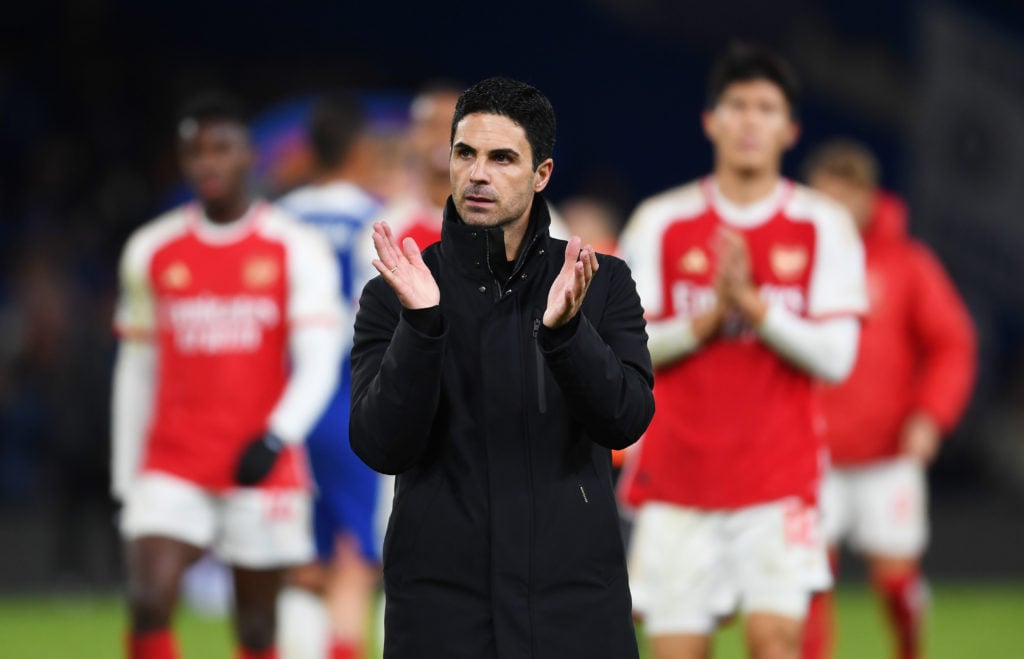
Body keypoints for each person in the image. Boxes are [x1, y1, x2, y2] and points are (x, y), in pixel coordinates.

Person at [348, 76, 655, 658]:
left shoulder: (601, 281)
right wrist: (421, 326)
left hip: (574, 604)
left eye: (502, 158)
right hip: (441, 609)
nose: (478, 173)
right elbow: (380, 445)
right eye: (465, 153)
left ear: (542, 174)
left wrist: (566, 335)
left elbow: (625, 420)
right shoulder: (397, 293)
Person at [617, 44, 867, 659]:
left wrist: (757, 309)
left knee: (775, 642)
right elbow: (625, 351)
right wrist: (703, 324)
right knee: (676, 651)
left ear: (790, 129)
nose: (751, 120)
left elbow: (837, 357)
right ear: (711, 121)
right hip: (677, 480)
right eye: (737, 106)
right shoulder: (661, 222)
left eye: (766, 108)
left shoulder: (822, 224)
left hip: (778, 480)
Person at [111, 92, 345, 659]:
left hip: (259, 463)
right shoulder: (152, 250)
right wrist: (126, 476)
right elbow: (137, 368)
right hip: (173, 460)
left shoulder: (295, 247)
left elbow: (320, 358)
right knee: (148, 597)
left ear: (249, 156)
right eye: (195, 152)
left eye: (221, 149)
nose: (208, 163)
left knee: (258, 627)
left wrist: (277, 435)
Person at [800, 140, 977, 659]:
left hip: (887, 454)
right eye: (820, 197)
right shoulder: (792, 260)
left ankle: (908, 648)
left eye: (841, 197)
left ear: (866, 197)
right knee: (808, 582)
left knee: (897, 585)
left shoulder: (907, 264)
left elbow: (953, 344)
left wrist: (931, 416)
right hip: (812, 454)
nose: (830, 210)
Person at [275, 92, 384, 659]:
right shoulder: (372, 216)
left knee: (299, 549)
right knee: (354, 552)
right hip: (347, 394)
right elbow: (379, 310)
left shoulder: (280, 218)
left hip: (287, 398)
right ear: (358, 149)